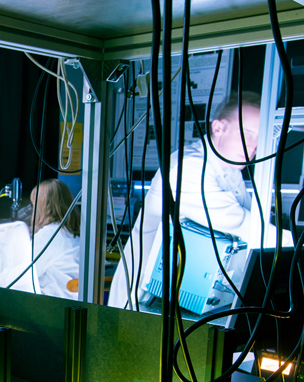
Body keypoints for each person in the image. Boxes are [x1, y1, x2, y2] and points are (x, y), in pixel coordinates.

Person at [108, 92, 267, 311]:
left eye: (260, 137)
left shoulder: (231, 172)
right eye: (247, 134)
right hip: (146, 298)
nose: (254, 146)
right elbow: (247, 227)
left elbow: (253, 224)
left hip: (186, 291)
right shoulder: (189, 167)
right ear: (218, 127)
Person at [24, 178, 82, 296]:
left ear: (42, 206)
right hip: (74, 300)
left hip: (56, 302)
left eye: (34, 204)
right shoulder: (73, 232)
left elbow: (26, 275)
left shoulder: (48, 235)